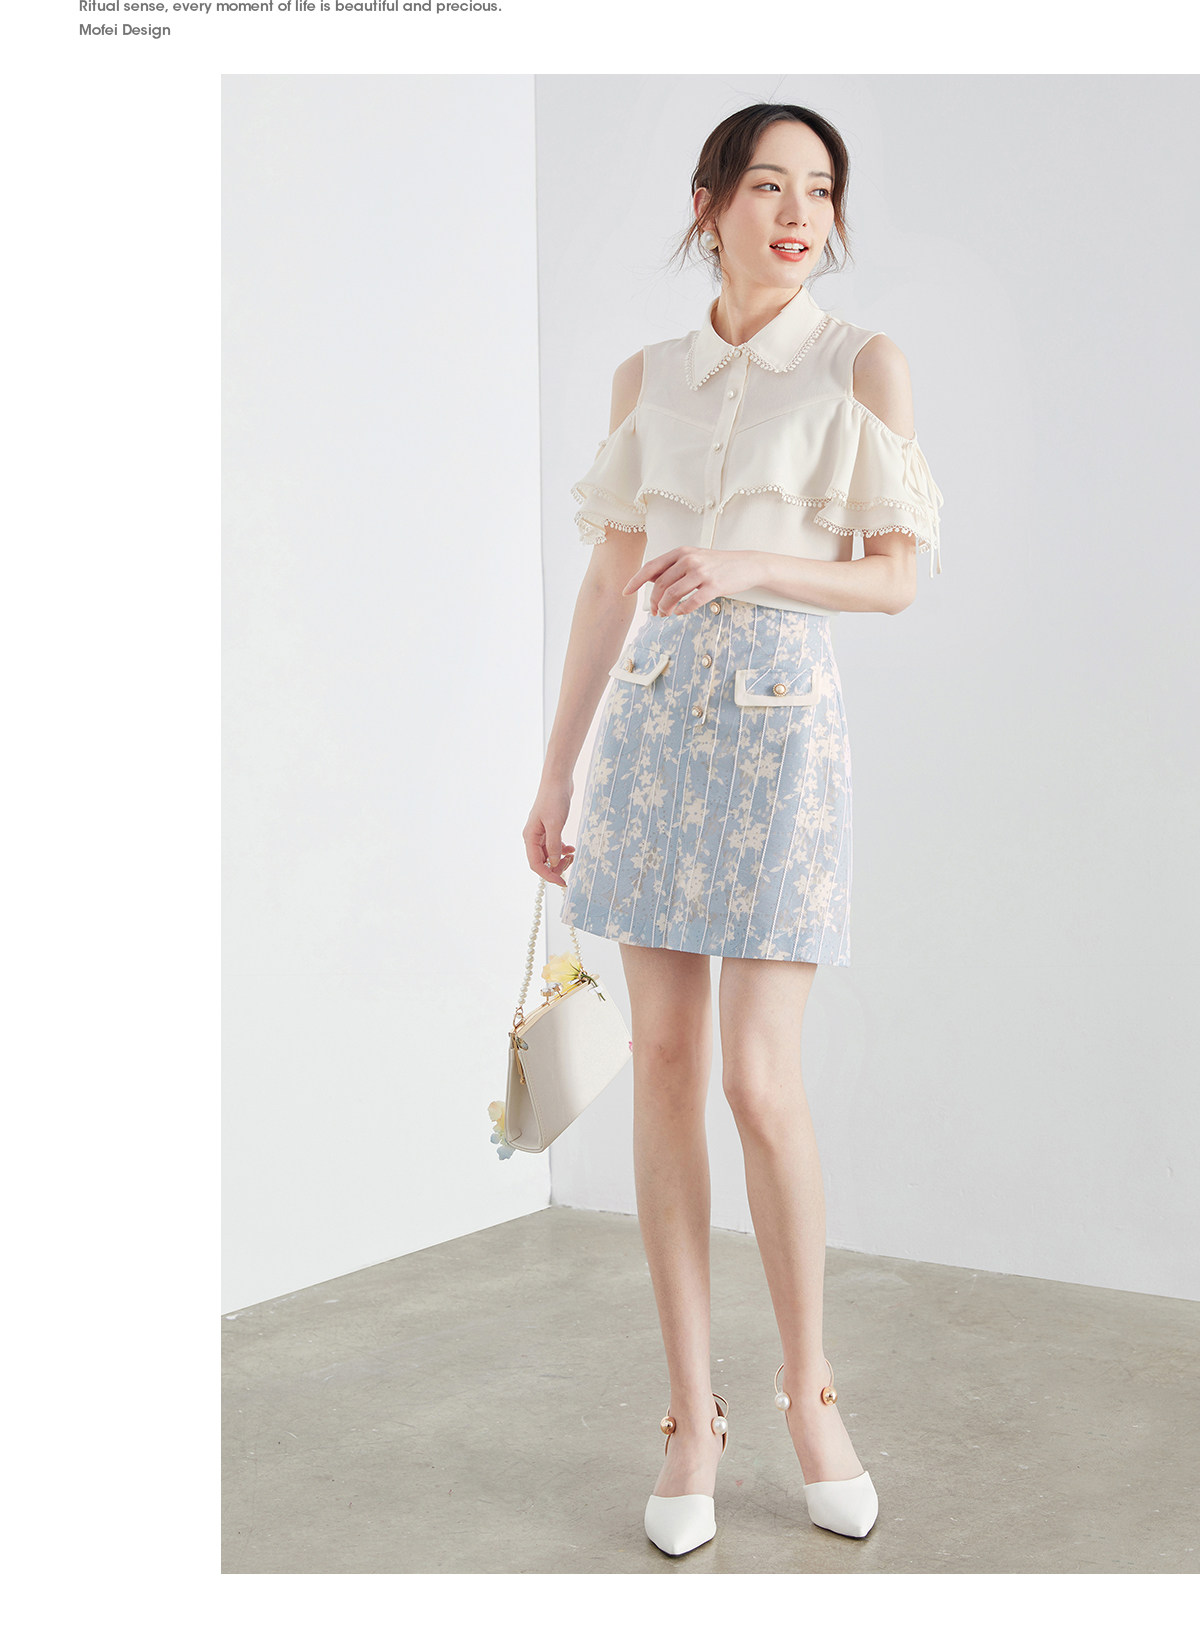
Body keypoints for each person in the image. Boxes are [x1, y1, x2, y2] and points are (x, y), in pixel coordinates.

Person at [523, 102, 944, 1557]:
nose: (798, 212)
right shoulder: (647, 374)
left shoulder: (859, 364)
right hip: (649, 735)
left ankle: (810, 1396)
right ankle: (688, 1417)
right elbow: (607, 586)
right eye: (768, 184)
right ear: (708, 204)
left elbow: (893, 577)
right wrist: (555, 773)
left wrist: (749, 563)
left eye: (820, 188)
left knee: (761, 1083)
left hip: (780, 736)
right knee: (662, 1068)